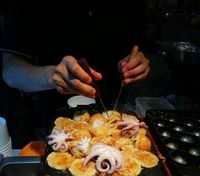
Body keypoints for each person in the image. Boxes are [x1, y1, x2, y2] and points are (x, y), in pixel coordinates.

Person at [1, 0, 150, 148]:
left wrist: (134, 63)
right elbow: (10, 70)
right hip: (51, 111)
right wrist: (52, 76)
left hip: (114, 109)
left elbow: (136, 46)